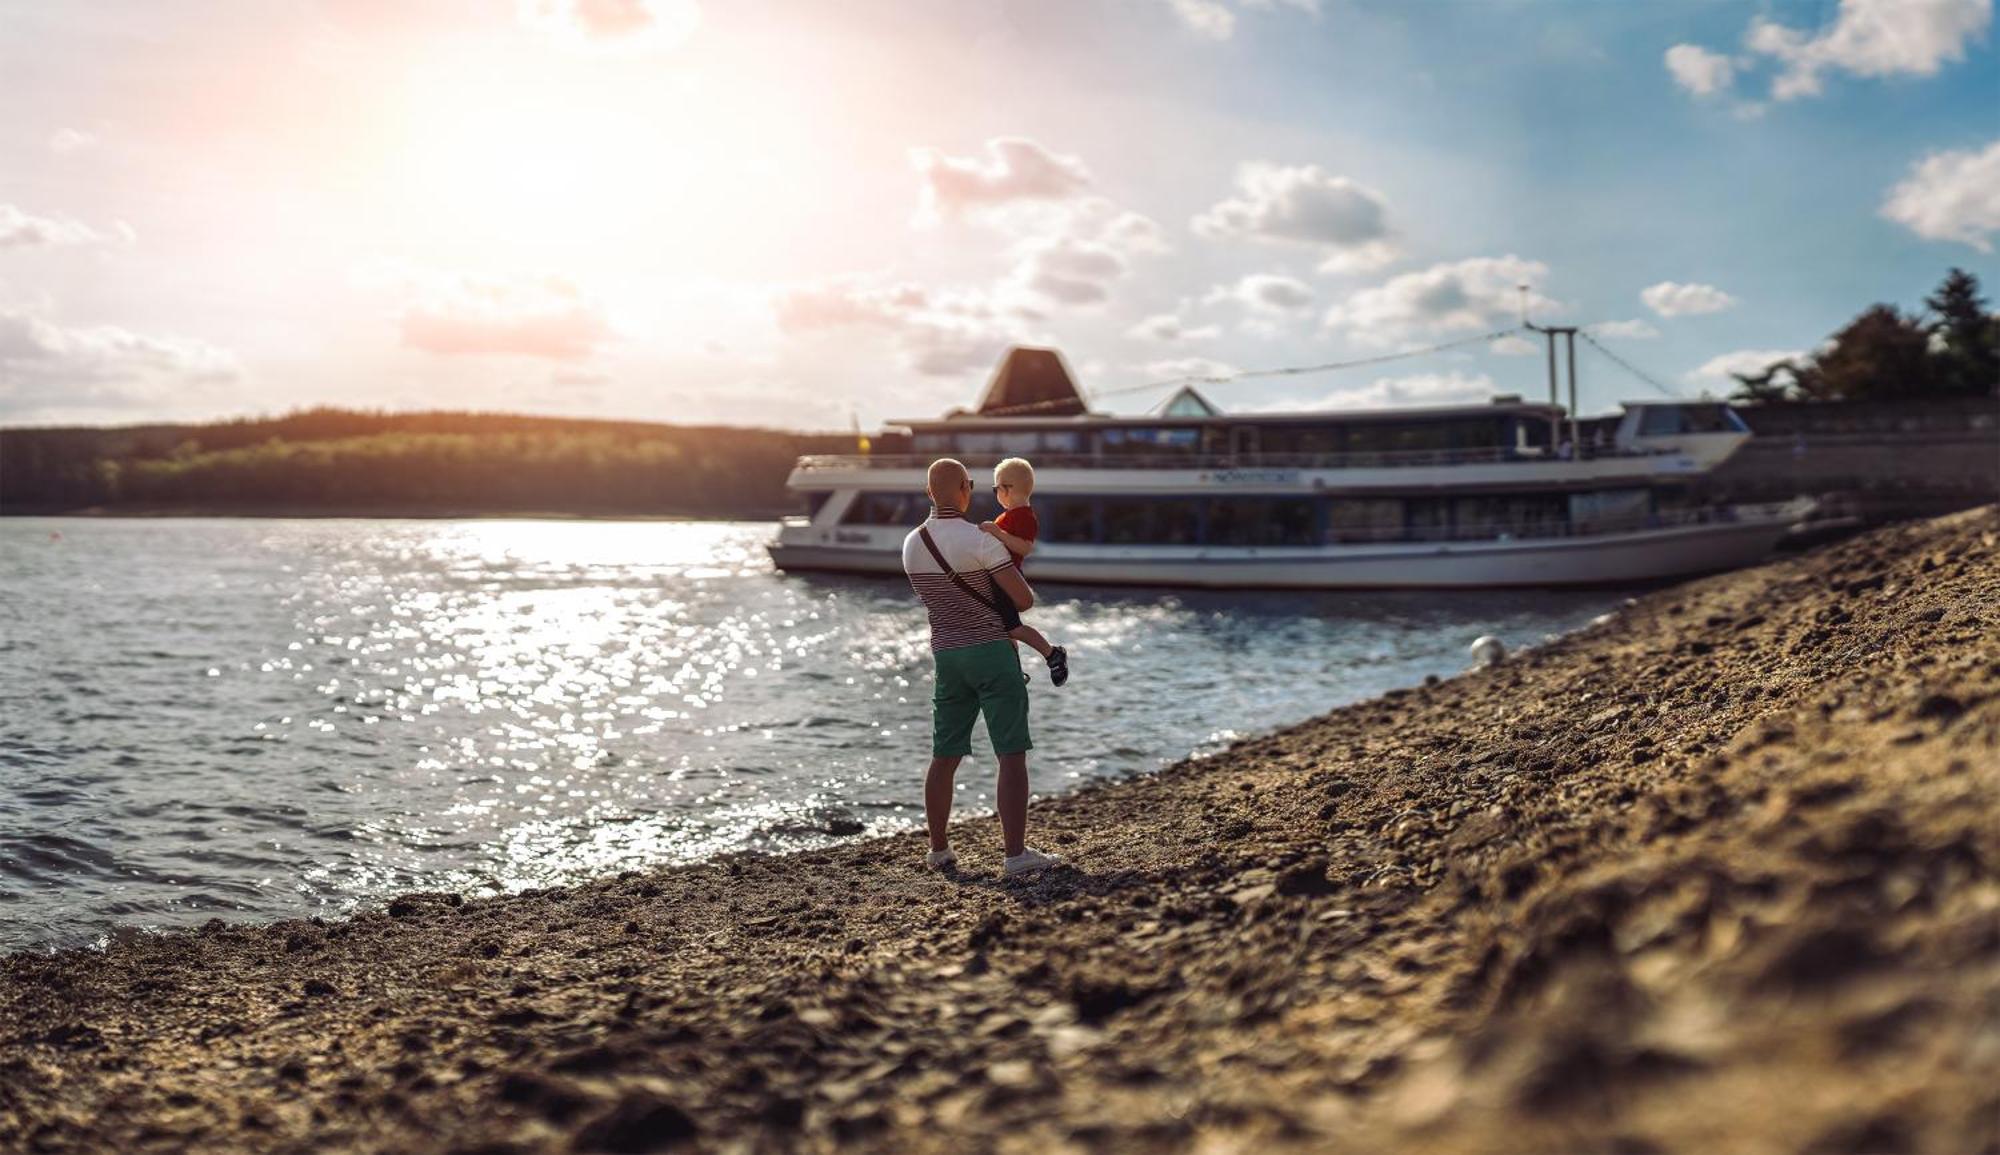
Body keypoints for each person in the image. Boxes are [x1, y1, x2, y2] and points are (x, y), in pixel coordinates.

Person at [903, 458, 1063, 878]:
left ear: (927, 492)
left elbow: (937, 601)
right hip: (991, 651)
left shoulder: (911, 543)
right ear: (966, 488)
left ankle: (938, 850)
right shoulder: (980, 539)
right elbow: (1023, 600)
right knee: (1010, 754)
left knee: (944, 755)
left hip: (947, 656)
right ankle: (1014, 855)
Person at [978, 457, 1070, 687]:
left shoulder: (1024, 516)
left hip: (1006, 579)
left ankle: (1052, 654)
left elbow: (1024, 547)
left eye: (995, 488)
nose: (996, 494)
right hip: (998, 577)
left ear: (1006, 489)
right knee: (1003, 628)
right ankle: (1012, 669)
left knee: (1013, 627)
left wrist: (997, 532)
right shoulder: (1007, 516)